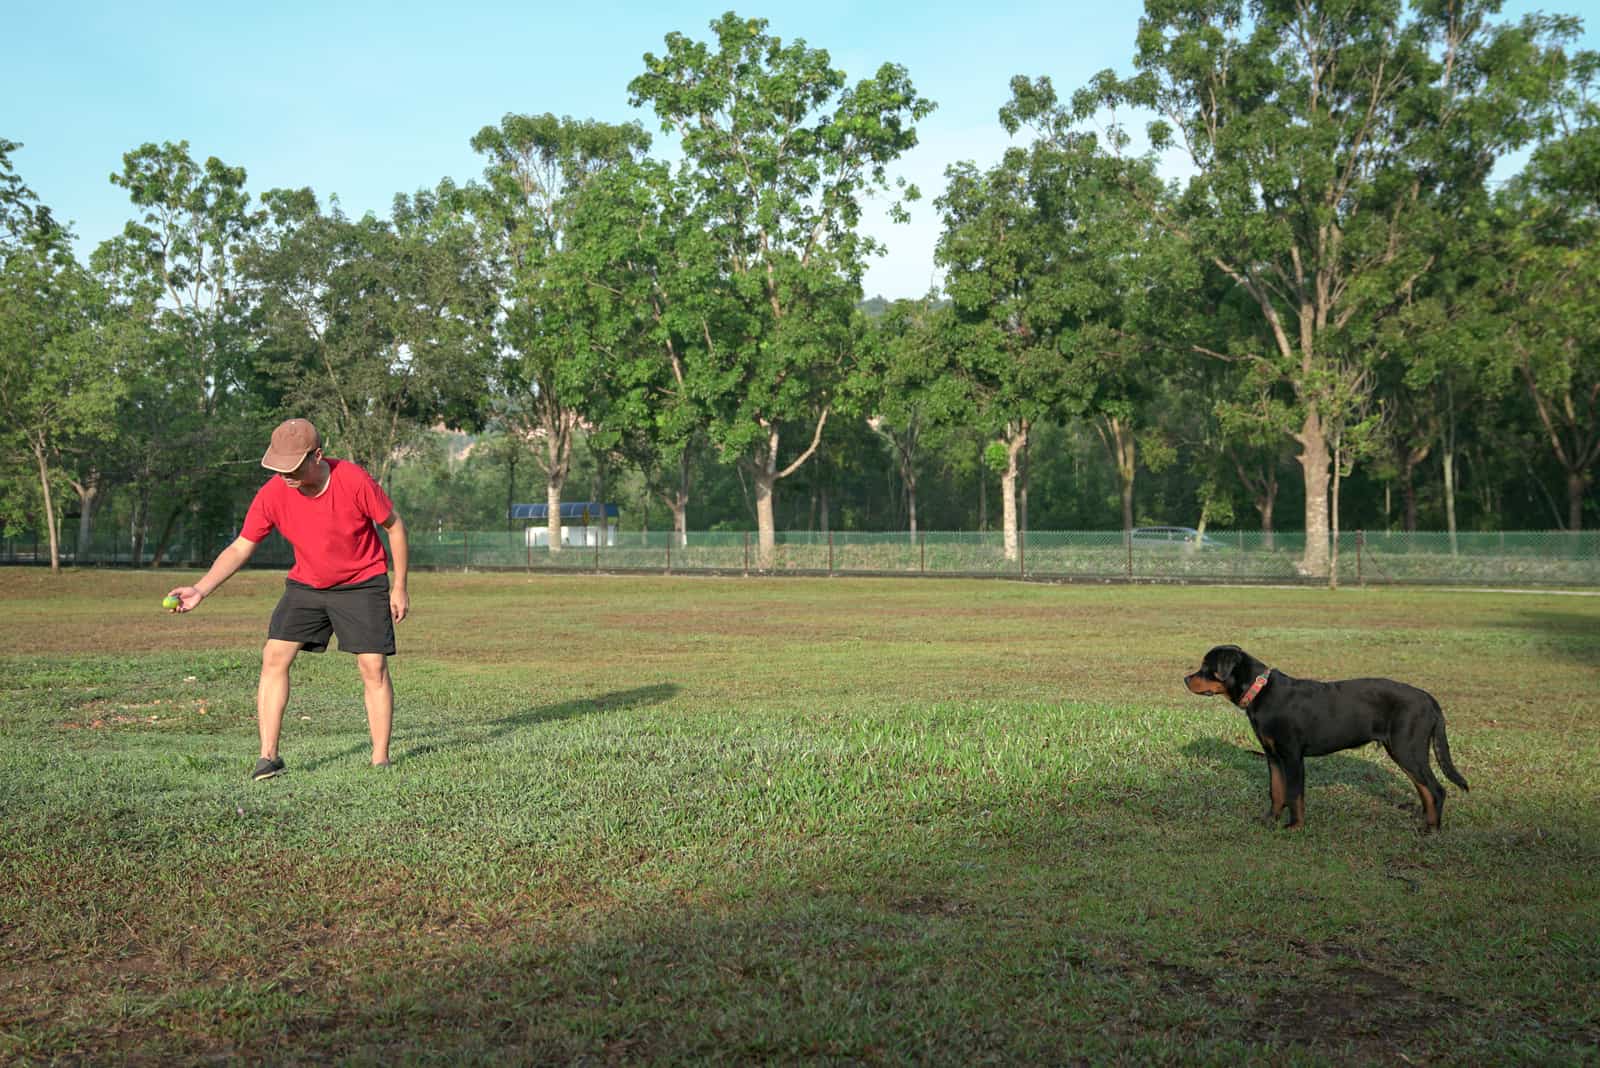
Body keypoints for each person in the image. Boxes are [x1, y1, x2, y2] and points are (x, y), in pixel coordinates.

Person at [167, 418, 410, 781]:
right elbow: (241, 547)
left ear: (318, 456)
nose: (286, 475)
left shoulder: (353, 480)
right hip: (307, 584)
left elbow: (394, 526)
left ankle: (380, 759)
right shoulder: (273, 493)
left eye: (293, 466)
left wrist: (400, 585)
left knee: (372, 666)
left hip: (361, 582)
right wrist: (201, 589)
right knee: (274, 656)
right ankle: (268, 757)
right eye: (279, 467)